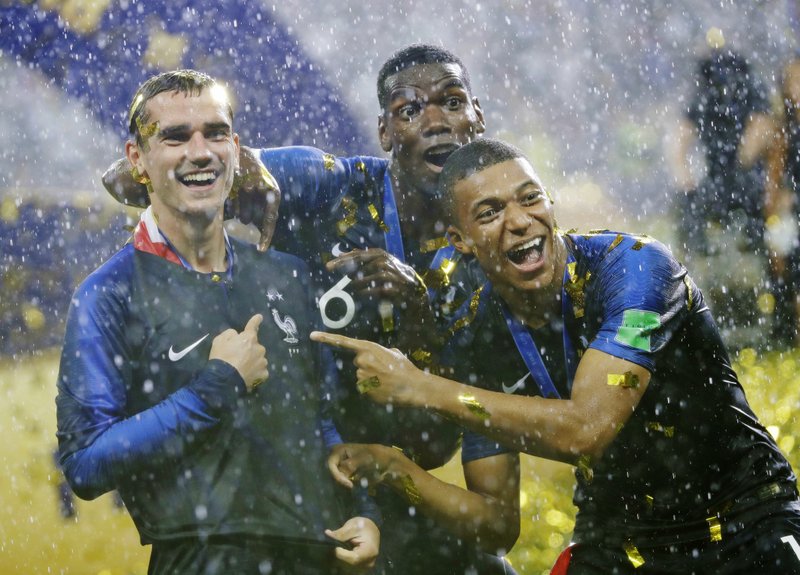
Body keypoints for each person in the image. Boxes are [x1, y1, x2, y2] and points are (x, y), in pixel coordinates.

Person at [103, 46, 517, 575]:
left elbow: (435, 450)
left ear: (477, 117)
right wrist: (240, 168)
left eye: (452, 102)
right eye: (410, 110)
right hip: (279, 475)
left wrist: (419, 323)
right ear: (385, 132)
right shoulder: (326, 184)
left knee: (490, 570)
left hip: (385, 485)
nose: (435, 122)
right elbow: (122, 180)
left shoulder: (489, 264)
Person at [313, 138, 800, 574]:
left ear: (550, 202)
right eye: (489, 212)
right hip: (618, 543)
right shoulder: (475, 331)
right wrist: (395, 468)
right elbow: (498, 528)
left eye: (530, 198)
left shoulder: (637, 269)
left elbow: (588, 428)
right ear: (458, 241)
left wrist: (422, 387)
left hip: (746, 522)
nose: (520, 220)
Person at [55, 69, 379, 575]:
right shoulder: (107, 294)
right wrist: (217, 388)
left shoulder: (288, 276)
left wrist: (363, 511)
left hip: (318, 556)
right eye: (176, 137)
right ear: (137, 158)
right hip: (199, 560)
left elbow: (320, 421)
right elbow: (86, 462)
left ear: (236, 148)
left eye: (215, 133)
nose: (200, 152)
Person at [766, 54, 800, 345]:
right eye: (794, 81)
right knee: (783, 263)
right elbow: (775, 174)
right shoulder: (785, 129)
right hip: (792, 211)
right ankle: (786, 326)